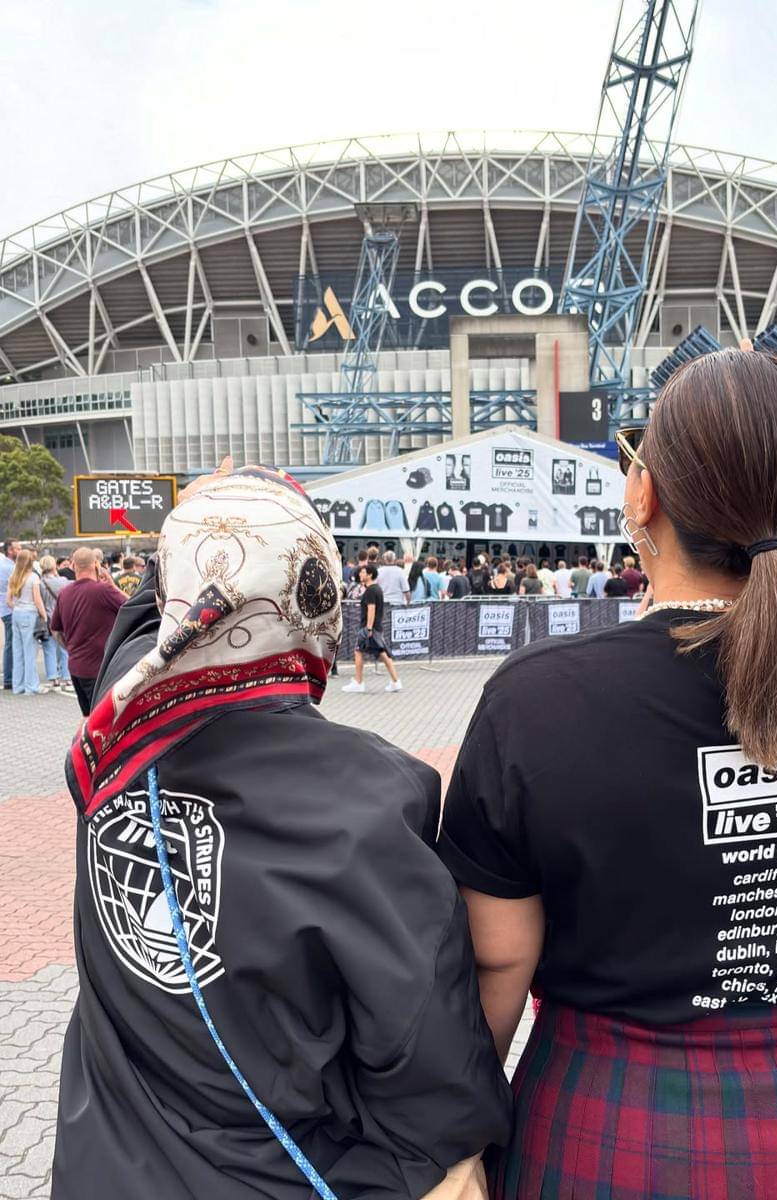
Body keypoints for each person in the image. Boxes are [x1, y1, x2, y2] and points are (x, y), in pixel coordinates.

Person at [438, 347, 777, 1199]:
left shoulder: (541, 700)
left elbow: (500, 961)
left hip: (608, 1117)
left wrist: (456, 1138)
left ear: (642, 493)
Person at [53, 464, 511, 1200]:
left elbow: (154, 613)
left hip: (104, 1165)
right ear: (316, 596)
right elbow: (425, 1056)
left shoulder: (117, 736)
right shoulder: (366, 797)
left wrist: (215, 514)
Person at [49, 546, 126, 715]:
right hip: (99, 670)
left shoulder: (64, 593)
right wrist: (113, 585)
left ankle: (80, 741)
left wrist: (70, 649)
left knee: (87, 716)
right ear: (96, 565)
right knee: (103, 720)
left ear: (73, 566)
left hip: (76, 667)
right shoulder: (104, 590)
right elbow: (134, 606)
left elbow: (55, 630)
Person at [342, 563, 402, 693]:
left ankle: (358, 682)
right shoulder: (377, 589)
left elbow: (371, 609)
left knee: (358, 651)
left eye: (363, 572)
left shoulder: (370, 591)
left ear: (369, 575)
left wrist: (368, 628)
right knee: (383, 653)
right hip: (376, 627)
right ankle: (395, 681)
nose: (360, 574)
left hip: (369, 628)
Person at [5, 548, 48, 695]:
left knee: (18, 652)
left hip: (16, 614)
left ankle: (18, 686)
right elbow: (37, 600)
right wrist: (44, 616)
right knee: (30, 652)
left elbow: (8, 601)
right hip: (29, 614)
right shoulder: (33, 578)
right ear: (30, 562)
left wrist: (17, 607)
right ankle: (31, 686)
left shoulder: (13, 577)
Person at [38, 555, 74, 693]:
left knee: (49, 650)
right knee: (64, 649)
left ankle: (54, 679)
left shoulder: (40, 583)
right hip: (61, 618)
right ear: (54, 566)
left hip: (47, 619)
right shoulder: (63, 581)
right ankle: (67, 677)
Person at [0, 538, 21, 689]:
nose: (19, 551)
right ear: (10, 550)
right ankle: (9, 678)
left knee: (10, 642)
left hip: (5, 608)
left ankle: (10, 677)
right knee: (12, 644)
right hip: (11, 608)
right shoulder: (11, 568)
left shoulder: (4, 565)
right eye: (17, 548)